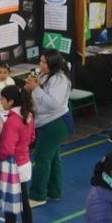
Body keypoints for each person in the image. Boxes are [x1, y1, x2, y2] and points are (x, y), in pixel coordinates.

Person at [25, 51, 73, 206]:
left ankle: (38, 195)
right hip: (47, 122)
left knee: (42, 158)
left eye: (44, 62)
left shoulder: (60, 79)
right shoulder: (46, 75)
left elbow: (54, 103)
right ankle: (54, 191)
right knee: (53, 157)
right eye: (40, 61)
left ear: (52, 64)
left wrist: (36, 89)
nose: (41, 65)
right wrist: (30, 87)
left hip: (55, 123)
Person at [0, 83, 37, 223]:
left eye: (3, 99)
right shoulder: (28, 115)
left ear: (11, 101)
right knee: (24, 203)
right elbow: (32, 137)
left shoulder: (12, 120)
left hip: (12, 166)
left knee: (10, 204)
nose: (1, 102)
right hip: (25, 162)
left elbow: (6, 148)